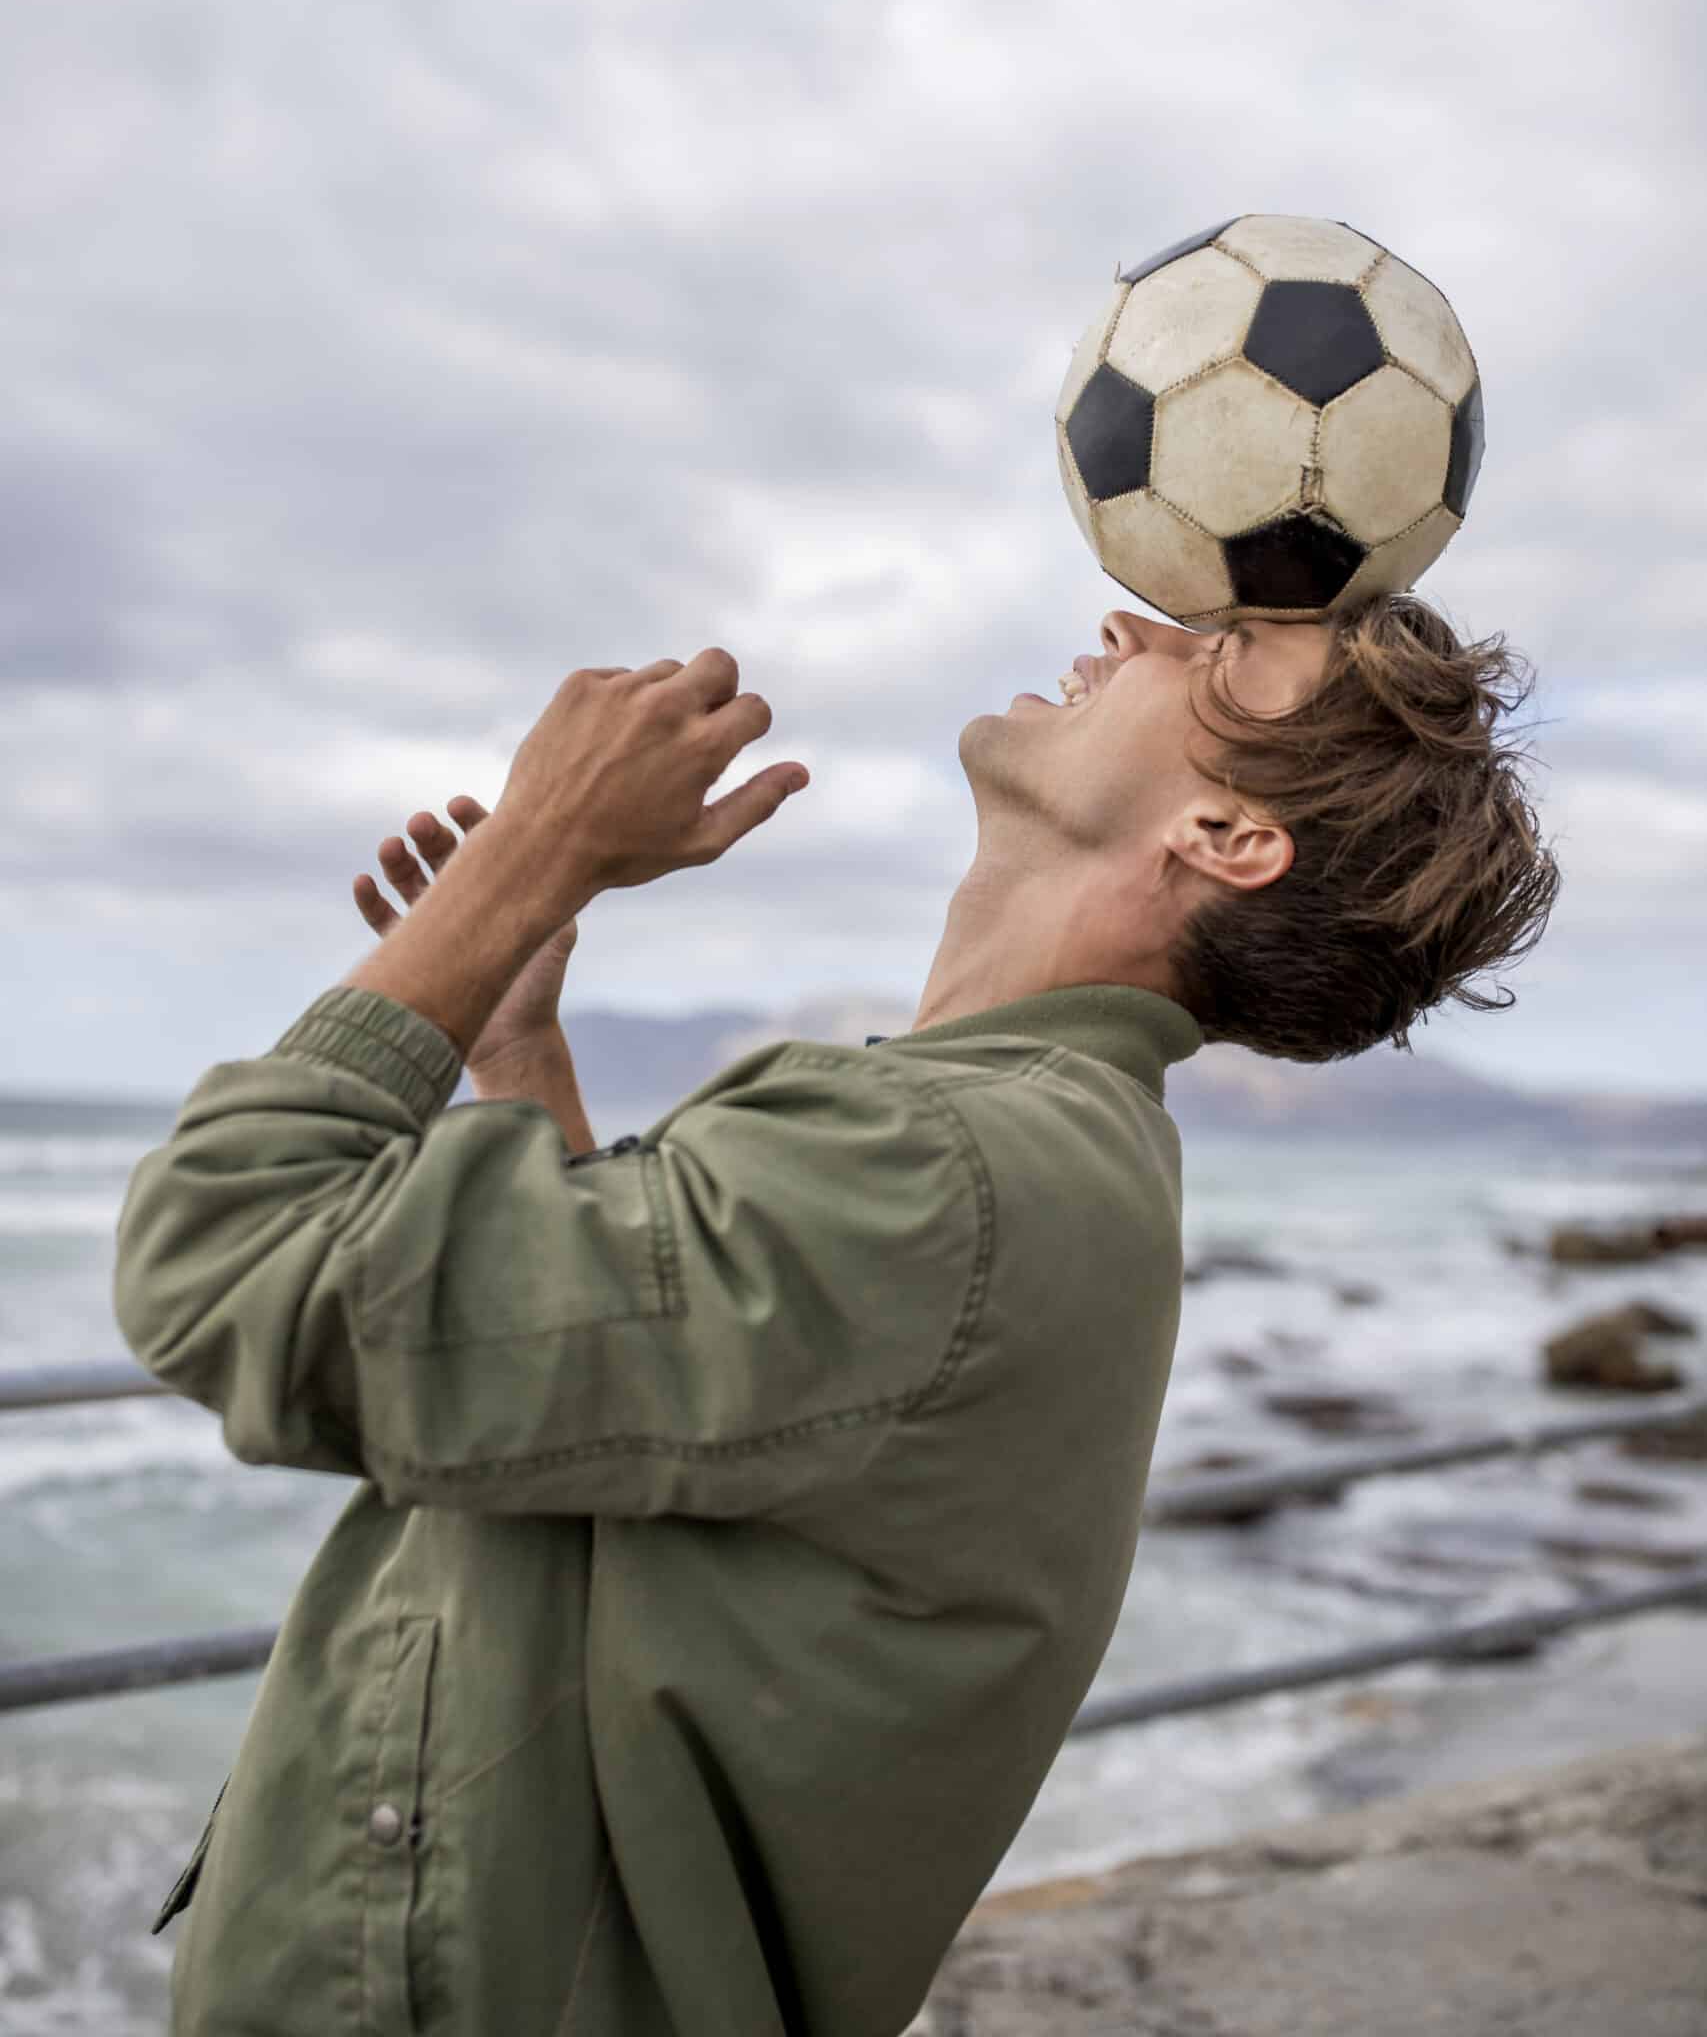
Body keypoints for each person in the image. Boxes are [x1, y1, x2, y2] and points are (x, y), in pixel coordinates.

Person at [114, 592, 1558, 2036]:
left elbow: (228, 1256)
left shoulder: (944, 1170)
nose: (1138, 626)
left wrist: (527, 852)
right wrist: (520, 1059)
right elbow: (643, 1434)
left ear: (1230, 837)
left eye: (1221, 652)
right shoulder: (1032, 1150)